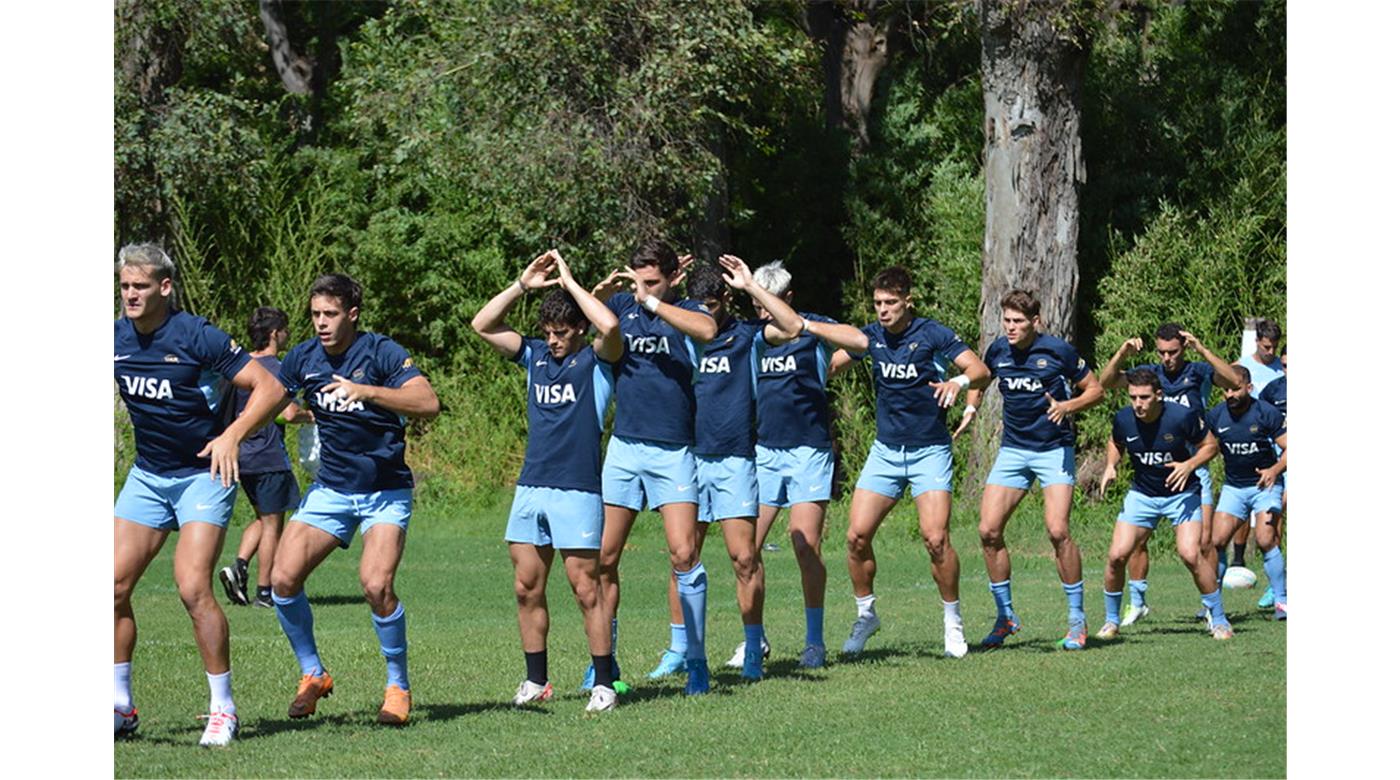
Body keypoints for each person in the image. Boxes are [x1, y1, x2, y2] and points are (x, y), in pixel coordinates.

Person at [114, 243, 288, 746]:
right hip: (148, 476)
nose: (130, 295)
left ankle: (223, 709)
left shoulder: (196, 335)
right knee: (112, 589)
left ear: (164, 287)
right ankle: (120, 706)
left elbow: (270, 389)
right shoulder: (116, 334)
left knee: (192, 588)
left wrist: (232, 435)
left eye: (140, 286)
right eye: (125, 286)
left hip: (201, 477)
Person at [270, 273, 441, 726]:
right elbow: (275, 402)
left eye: (329, 314)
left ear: (352, 314)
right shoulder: (302, 357)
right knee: (281, 581)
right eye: (314, 315)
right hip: (331, 489)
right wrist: (229, 435)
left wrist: (366, 391)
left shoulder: (381, 351)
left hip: (385, 491)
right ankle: (313, 675)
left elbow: (427, 402)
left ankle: (398, 685)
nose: (321, 323)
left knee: (375, 585)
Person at [471, 250, 625, 713]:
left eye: (561, 332)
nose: (552, 340)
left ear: (579, 328)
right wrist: (522, 284)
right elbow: (482, 324)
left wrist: (572, 283)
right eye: (548, 332)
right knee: (526, 586)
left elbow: (612, 329)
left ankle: (604, 682)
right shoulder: (535, 356)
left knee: (585, 588)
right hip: (531, 486)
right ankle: (536, 679)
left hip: (576, 488)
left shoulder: (599, 361)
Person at [823, 266, 992, 658]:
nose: (883, 310)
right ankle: (866, 615)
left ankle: (953, 621)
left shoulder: (932, 334)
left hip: (929, 451)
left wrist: (958, 382)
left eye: (890, 303)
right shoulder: (871, 336)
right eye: (878, 303)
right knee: (855, 537)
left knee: (935, 539)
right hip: (885, 451)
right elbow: (831, 365)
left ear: (907, 301)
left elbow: (981, 370)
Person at [651, 256, 803, 682]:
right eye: (699, 304)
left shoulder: (746, 335)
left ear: (725, 302)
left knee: (744, 558)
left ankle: (754, 646)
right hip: (686, 458)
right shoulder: (677, 329)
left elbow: (792, 328)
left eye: (714, 305)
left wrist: (752, 288)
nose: (705, 313)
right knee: (683, 557)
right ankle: (680, 648)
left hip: (735, 459)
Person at [590, 240, 718, 695]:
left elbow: (706, 330)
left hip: (673, 451)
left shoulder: (686, 310)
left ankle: (696, 660)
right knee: (603, 557)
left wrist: (655, 302)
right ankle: (603, 661)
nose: (641, 290)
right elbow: (589, 316)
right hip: (624, 448)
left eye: (653, 281)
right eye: (638, 281)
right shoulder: (622, 305)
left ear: (672, 279)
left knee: (685, 556)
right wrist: (605, 291)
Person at [954, 290, 1105, 651]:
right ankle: (1006, 617)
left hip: (1053, 450)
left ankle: (1076, 620)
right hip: (1013, 451)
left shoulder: (1058, 352)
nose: (1010, 328)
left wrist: (1069, 406)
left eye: (1018, 322)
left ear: (1035, 322)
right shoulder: (998, 350)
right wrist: (971, 408)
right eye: (1006, 321)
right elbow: (980, 379)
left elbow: (1096, 391)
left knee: (1057, 530)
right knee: (988, 531)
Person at [746, 261, 866, 669]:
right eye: (757, 304)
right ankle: (754, 638)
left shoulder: (811, 326)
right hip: (764, 451)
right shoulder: (755, 337)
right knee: (746, 548)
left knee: (804, 545)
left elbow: (860, 341)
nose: (764, 312)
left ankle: (814, 641)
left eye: (771, 304)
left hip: (808, 451)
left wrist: (820, 349)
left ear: (788, 299)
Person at [1097, 324, 1241, 626]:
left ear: (1183, 348)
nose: (1167, 358)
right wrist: (1123, 352)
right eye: (1161, 352)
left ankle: (1213, 610)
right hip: (1149, 475)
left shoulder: (1198, 371)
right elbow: (1107, 382)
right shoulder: (1148, 376)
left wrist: (1201, 348)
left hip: (1191, 467)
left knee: (1199, 547)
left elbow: (1232, 380)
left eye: (1172, 352)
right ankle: (1133, 605)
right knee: (1132, 544)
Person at [218, 307, 312, 608]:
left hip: (241, 455)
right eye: (284, 330)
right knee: (274, 525)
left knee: (263, 518)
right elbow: (286, 414)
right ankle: (264, 593)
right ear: (275, 333)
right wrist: (311, 415)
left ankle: (240, 567)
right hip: (269, 455)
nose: (287, 335)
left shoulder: (239, 365)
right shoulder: (277, 367)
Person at [1204, 365, 1288, 620]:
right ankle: (1212, 604)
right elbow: (1205, 447)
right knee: (1216, 541)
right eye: (1226, 389)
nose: (1231, 394)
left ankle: (1282, 601)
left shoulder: (1266, 413)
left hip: (1265, 486)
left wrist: (1274, 470)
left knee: (1265, 538)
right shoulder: (1216, 416)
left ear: (1249, 388)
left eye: (1236, 388)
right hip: (1234, 487)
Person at [1255, 347, 1287, 611]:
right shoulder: (1273, 391)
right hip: (1279, 461)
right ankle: (1277, 584)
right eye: (1285, 365)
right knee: (1273, 518)